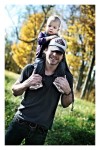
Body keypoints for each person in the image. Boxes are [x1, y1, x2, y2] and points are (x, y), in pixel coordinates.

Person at [5, 37, 74, 145]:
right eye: (53, 50)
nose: (55, 55)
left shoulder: (66, 77)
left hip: (40, 131)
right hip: (19, 123)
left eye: (59, 53)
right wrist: (27, 83)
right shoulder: (30, 69)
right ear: (46, 49)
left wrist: (68, 91)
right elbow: (15, 91)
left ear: (63, 56)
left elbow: (66, 104)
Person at [30, 15, 69, 92]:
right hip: (41, 56)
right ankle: (35, 83)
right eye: (49, 26)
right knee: (38, 65)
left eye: (54, 27)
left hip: (51, 58)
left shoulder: (57, 38)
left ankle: (58, 82)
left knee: (62, 66)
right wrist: (49, 38)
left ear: (58, 29)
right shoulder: (43, 34)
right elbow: (40, 41)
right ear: (46, 26)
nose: (51, 28)